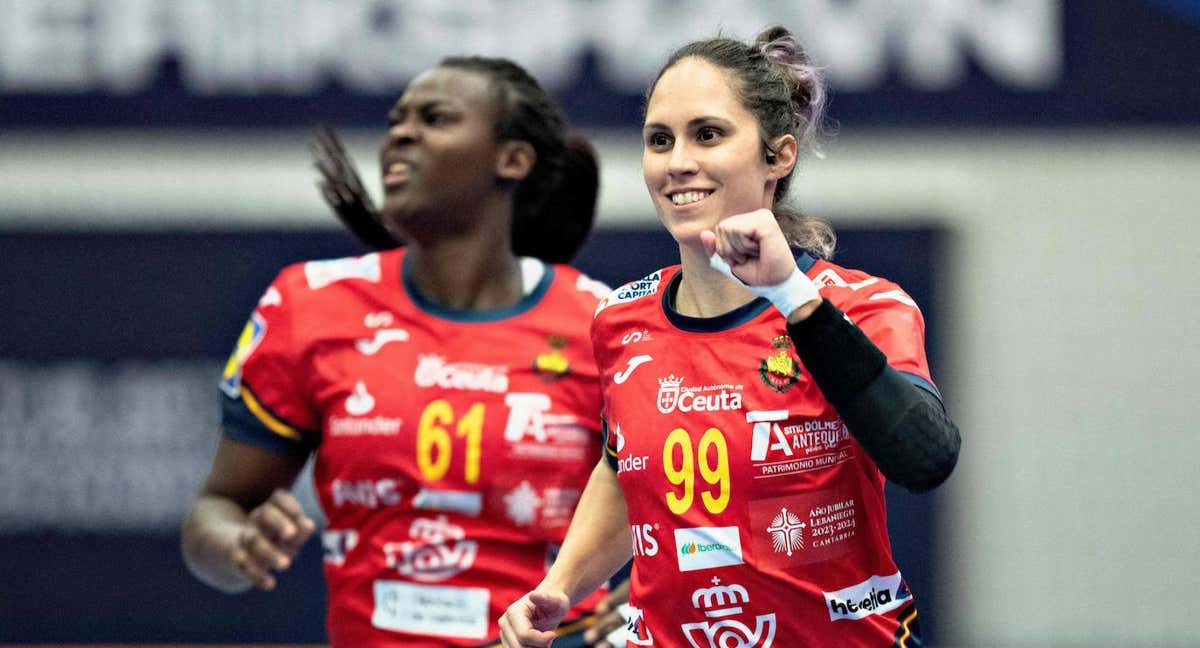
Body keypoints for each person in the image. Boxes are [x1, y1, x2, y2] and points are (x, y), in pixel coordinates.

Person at [499, 25, 961, 648]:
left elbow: (925, 459)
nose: (678, 162)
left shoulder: (863, 305)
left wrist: (791, 295)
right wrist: (560, 586)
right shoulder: (621, 320)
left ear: (779, 156)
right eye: (659, 140)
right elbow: (624, 465)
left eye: (707, 134)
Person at [182, 55, 624, 648]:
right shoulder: (309, 303)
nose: (400, 134)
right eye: (397, 120)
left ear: (512, 159)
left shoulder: (605, 323)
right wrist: (240, 546)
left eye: (435, 118)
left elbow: (684, 518)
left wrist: (640, 605)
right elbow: (215, 511)